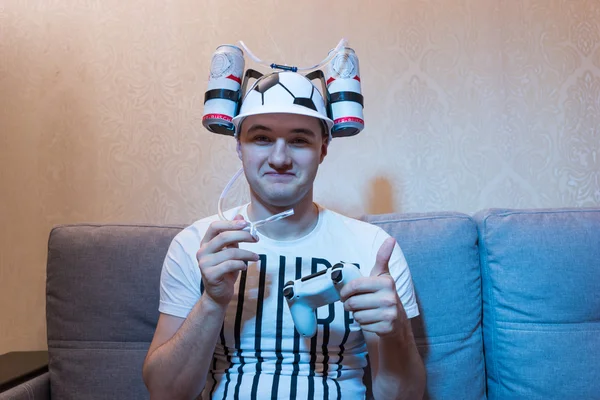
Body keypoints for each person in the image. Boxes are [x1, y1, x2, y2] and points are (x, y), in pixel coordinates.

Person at [142, 69, 426, 399]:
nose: (279, 158)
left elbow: (403, 396)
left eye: (299, 140)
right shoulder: (198, 245)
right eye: (261, 138)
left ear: (323, 149)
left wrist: (397, 331)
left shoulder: (374, 249)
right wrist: (213, 299)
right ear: (239, 147)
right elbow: (164, 393)